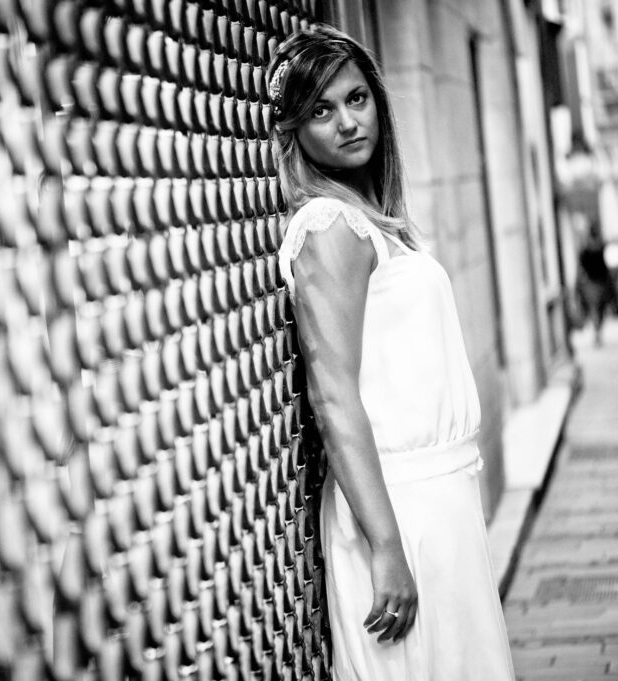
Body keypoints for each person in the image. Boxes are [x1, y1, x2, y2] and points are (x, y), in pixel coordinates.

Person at [268, 25, 515, 679]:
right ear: (294, 130)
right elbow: (332, 395)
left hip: (437, 505)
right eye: (320, 111)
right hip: (397, 510)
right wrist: (386, 546)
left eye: (356, 98)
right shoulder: (330, 226)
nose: (348, 122)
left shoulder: (370, 221)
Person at [576, 223, 617, 346]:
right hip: (596, 283)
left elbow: (582, 268)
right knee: (597, 309)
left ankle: (597, 331)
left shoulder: (590, 250)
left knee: (598, 309)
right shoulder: (595, 249)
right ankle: (597, 332)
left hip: (596, 283)